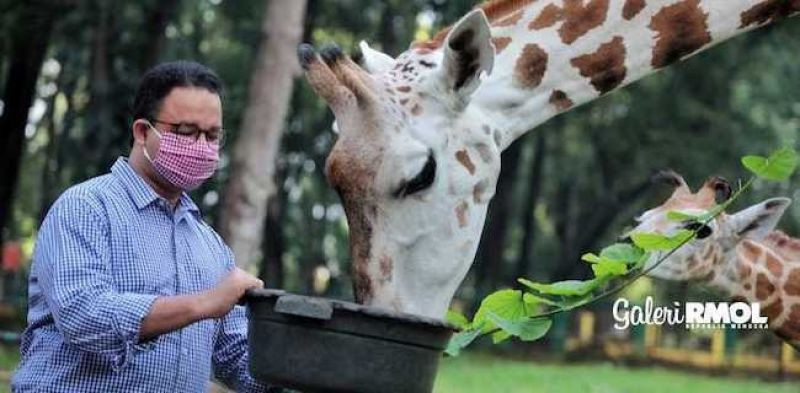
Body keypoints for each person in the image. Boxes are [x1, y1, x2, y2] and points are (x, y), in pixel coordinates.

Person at [12, 61, 278, 392]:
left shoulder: (210, 245)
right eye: (186, 131)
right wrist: (204, 303)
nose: (201, 147)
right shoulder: (85, 208)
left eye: (211, 135)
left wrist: (316, 366)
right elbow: (82, 316)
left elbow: (238, 356)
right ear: (141, 132)